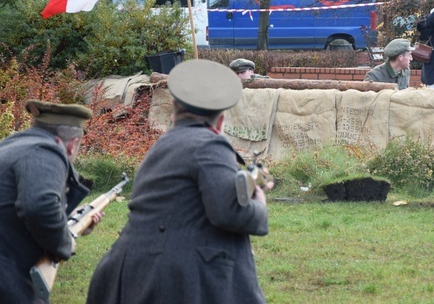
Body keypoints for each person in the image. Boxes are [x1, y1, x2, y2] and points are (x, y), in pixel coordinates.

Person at [87, 59, 274, 304]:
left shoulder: (162, 145)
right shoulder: (211, 143)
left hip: (132, 268)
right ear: (220, 122)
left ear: (175, 115)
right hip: (173, 278)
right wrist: (259, 201)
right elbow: (229, 214)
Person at [0, 99, 101, 303]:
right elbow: (38, 207)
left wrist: (68, 220)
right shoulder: (47, 152)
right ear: (72, 145)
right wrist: (65, 243)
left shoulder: (13, 145)